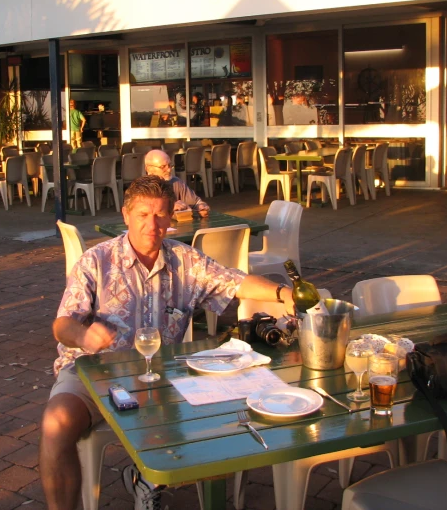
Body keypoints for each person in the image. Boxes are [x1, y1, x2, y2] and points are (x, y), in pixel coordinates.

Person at [39, 175, 294, 510]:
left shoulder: (185, 260)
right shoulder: (97, 260)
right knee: (56, 424)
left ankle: (150, 477)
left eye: (161, 215)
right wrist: (84, 335)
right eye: (143, 215)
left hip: (161, 373)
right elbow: (62, 325)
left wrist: (284, 293)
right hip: (96, 370)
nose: (152, 225)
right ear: (126, 215)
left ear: (172, 217)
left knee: (226, 409)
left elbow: (236, 282)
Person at [144, 149, 209, 217]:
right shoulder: (142, 189)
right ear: (148, 169)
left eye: (170, 165)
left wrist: (201, 207)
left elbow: (196, 202)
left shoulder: (176, 182)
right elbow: (145, 213)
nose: (169, 170)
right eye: (163, 167)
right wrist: (170, 207)